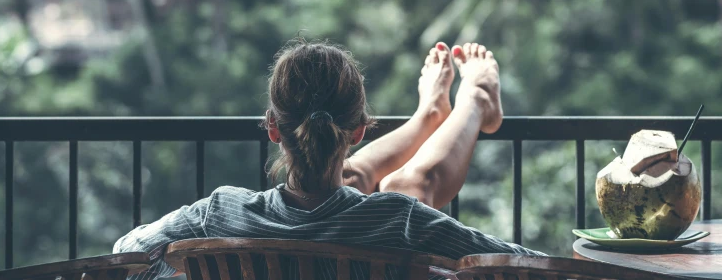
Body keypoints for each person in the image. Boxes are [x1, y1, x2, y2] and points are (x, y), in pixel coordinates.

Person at [114, 40, 544, 280]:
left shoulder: (220, 214)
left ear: (272, 128)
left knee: (372, 185)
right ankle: (466, 101)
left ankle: (434, 113)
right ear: (358, 131)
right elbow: (523, 268)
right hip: (378, 212)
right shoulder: (400, 220)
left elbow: (127, 253)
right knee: (401, 187)